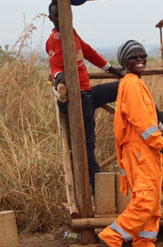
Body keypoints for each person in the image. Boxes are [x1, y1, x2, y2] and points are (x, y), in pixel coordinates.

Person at [98, 41, 163, 247]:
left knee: (153, 201)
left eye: (142, 56)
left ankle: (144, 245)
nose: (139, 60)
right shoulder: (131, 84)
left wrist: (161, 133)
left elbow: (147, 118)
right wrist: (160, 142)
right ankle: (112, 236)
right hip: (141, 151)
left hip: (146, 151)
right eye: (133, 57)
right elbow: (140, 120)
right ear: (124, 62)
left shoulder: (135, 82)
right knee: (146, 201)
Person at [46, 2, 124, 196]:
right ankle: (95, 188)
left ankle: (154, 117)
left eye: (63, 13)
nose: (60, 18)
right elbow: (54, 64)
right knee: (86, 143)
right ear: (51, 18)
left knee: (125, 85)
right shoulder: (55, 39)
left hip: (87, 93)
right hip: (76, 97)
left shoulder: (70, 31)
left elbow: (87, 51)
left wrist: (111, 69)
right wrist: (58, 78)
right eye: (56, 15)